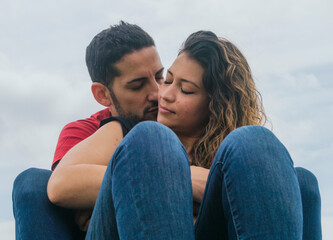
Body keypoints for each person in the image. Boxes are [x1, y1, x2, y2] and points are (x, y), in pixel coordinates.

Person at [12, 23, 321, 239]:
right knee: (149, 140)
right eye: (167, 81)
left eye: (165, 79)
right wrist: (180, 177)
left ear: (214, 104)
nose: (160, 93)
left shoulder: (232, 150)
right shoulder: (119, 130)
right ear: (104, 95)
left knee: (294, 173)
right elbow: (60, 187)